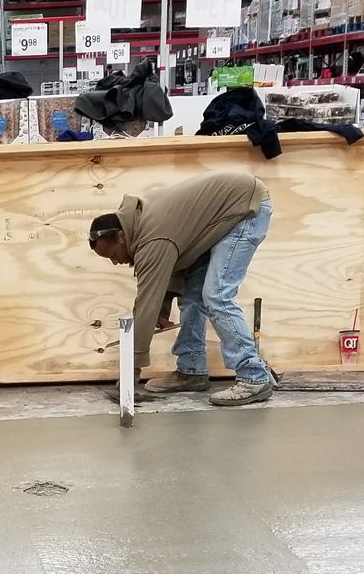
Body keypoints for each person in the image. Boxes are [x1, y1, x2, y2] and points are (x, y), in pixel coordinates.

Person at [87, 169, 275, 406]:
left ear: (121, 238)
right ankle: (192, 370)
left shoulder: (151, 237)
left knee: (217, 295)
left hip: (244, 208)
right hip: (221, 217)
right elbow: (175, 266)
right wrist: (163, 307)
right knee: (193, 296)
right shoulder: (141, 224)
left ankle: (253, 376)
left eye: (113, 254)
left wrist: (130, 374)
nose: (115, 261)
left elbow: (145, 304)